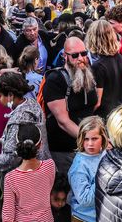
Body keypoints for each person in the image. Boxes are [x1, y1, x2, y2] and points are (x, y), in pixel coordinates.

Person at [0, 72, 51, 173]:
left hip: (26, 176)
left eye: (0, 95)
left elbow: (9, 159)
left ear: (10, 95)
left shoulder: (19, 119)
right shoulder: (32, 103)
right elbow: (22, 138)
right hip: (41, 169)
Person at [43, 37, 98, 175]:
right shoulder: (55, 80)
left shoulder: (89, 74)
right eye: (75, 55)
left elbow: (94, 105)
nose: (80, 58)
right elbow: (63, 121)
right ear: (65, 56)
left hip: (86, 148)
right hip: (64, 150)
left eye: (84, 53)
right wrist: (89, 139)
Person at [2, 124, 56, 222]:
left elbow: (8, 216)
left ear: (17, 144)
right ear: (39, 145)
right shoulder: (50, 166)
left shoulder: (10, 178)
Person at [85, 20, 122, 119]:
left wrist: (85, 116)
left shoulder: (98, 66)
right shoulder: (120, 58)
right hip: (119, 112)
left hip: (104, 116)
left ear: (93, 38)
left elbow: (97, 101)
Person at [68, 116, 107, 222]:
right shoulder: (80, 165)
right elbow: (84, 199)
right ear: (81, 138)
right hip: (83, 218)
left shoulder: (105, 154)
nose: (90, 144)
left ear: (103, 138)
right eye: (86, 139)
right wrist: (105, 176)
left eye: (94, 139)